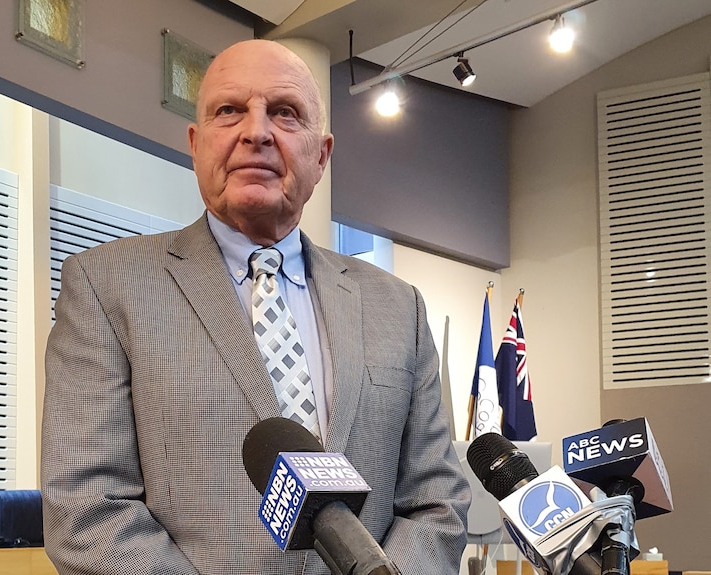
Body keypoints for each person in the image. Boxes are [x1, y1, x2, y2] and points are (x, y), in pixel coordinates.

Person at [41, 38, 470, 575]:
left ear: (321, 155)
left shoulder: (397, 307)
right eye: (230, 111)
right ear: (195, 145)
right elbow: (86, 510)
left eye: (285, 113)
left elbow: (437, 501)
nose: (257, 132)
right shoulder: (106, 287)